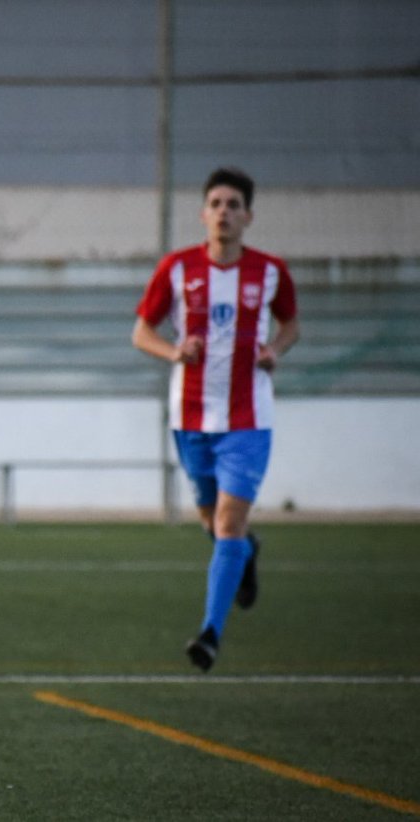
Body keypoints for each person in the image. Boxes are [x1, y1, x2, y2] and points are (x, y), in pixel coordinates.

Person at [132, 167, 300, 672]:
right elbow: (141, 332)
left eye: (233, 204)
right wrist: (174, 351)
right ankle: (245, 553)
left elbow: (291, 323)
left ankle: (210, 633)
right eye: (216, 203)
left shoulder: (270, 271)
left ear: (248, 216)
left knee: (228, 519)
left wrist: (274, 349)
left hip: (249, 418)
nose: (224, 212)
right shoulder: (177, 269)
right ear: (203, 213)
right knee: (210, 519)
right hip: (191, 417)